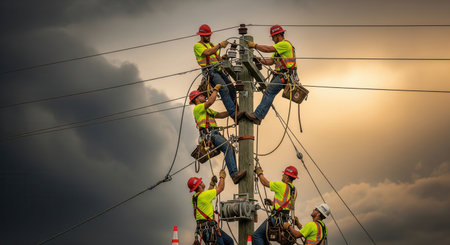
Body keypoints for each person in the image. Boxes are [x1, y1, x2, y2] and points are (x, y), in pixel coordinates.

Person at [189, 85, 246, 184]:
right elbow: (210, 101)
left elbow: (220, 115)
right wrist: (216, 89)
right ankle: (234, 174)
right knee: (228, 148)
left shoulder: (206, 110)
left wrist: (232, 111)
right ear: (196, 99)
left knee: (230, 149)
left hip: (215, 134)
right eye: (201, 96)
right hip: (210, 135)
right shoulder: (197, 108)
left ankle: (235, 173)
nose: (204, 97)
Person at [245, 25, 298, 125]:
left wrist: (254, 45)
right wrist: (258, 60)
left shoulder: (284, 44)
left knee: (269, 92)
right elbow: (270, 61)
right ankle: (258, 116)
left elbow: (267, 49)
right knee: (269, 92)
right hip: (281, 75)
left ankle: (257, 116)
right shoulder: (279, 48)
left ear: (278, 35)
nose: (273, 39)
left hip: (285, 75)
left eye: (273, 37)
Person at [194, 24, 241, 122]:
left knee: (231, 88)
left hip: (219, 69)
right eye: (207, 35)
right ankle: (233, 113)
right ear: (201, 36)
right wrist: (219, 45)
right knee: (224, 89)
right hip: (210, 72)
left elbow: (217, 58)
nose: (209, 37)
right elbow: (207, 52)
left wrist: (223, 58)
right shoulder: (198, 46)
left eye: (209, 35)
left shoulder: (211, 45)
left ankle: (238, 110)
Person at [252, 166, 299, 245]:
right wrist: (272, 204)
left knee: (257, 236)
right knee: (266, 238)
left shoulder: (281, 185)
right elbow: (287, 206)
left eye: (284, 174)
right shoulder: (294, 190)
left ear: (287, 177)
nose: (282, 176)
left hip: (276, 219)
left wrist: (259, 172)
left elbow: (265, 182)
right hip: (284, 220)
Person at [188, 171, 234, 245]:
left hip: (204, 228)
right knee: (227, 243)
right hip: (209, 228)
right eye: (201, 182)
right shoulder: (204, 196)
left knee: (229, 241)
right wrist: (222, 176)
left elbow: (208, 194)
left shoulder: (194, 197)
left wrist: (212, 183)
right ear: (199, 186)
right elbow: (221, 188)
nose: (202, 182)